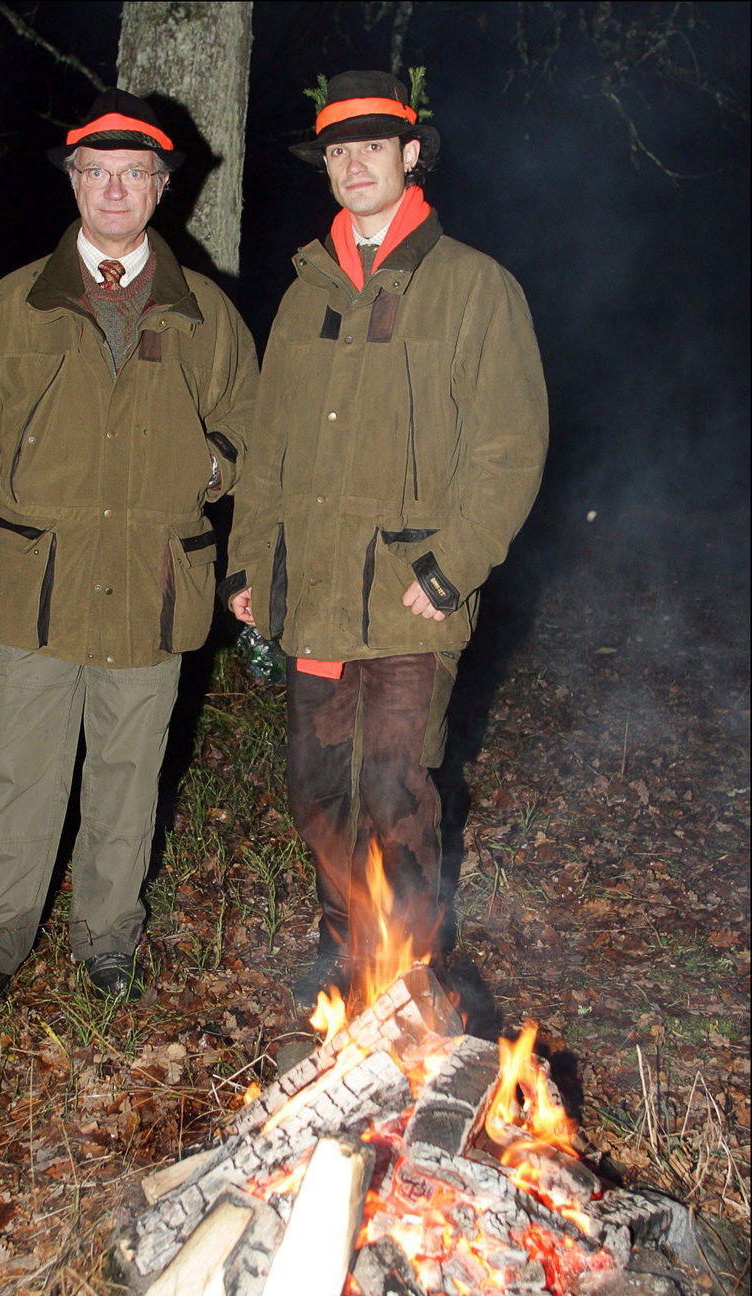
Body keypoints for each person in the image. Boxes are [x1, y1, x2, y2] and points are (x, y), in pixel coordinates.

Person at [0, 90, 257, 1018]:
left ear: (160, 190)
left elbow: (253, 443)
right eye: (95, 172)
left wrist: (213, 477)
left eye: (132, 174)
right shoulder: (14, 305)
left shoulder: (206, 315)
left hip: (154, 583)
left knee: (127, 777)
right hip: (38, 584)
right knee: (18, 772)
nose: (113, 189)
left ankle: (108, 944)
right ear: (74, 183)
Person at [223, 71, 548, 1012]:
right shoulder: (302, 295)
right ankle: (342, 950)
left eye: (373, 145)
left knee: (398, 791)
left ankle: (407, 974)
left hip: (411, 595)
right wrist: (250, 561)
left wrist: (453, 567)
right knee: (319, 790)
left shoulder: (476, 288)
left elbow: (510, 445)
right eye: (337, 149)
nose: (353, 163)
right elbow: (266, 447)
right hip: (315, 596)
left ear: (411, 155)